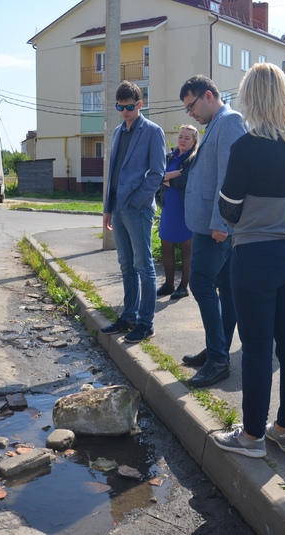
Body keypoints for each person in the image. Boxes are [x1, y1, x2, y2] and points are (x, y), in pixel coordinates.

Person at [211, 63, 285, 458]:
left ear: (249, 97)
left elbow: (229, 209)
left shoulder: (247, 145)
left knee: (256, 349)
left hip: (257, 256)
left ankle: (252, 436)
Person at [178, 75, 246, 388]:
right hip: (210, 224)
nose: (190, 113)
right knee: (228, 288)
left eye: (191, 106)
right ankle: (217, 348)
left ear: (208, 96)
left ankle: (219, 358)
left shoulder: (229, 122)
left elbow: (230, 178)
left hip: (215, 226)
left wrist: (222, 223)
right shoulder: (217, 123)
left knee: (201, 282)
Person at [101, 81, 166, 343]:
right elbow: (113, 171)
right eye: (120, 106)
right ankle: (128, 317)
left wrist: (138, 200)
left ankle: (145, 322)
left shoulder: (152, 131)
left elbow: (157, 173)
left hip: (138, 210)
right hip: (117, 206)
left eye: (129, 106)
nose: (125, 111)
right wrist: (108, 207)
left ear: (139, 104)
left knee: (143, 265)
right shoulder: (118, 131)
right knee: (126, 265)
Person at [157, 125, 199, 300]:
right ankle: (168, 284)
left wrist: (168, 179)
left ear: (194, 141)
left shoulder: (194, 159)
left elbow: (187, 180)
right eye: (181, 136)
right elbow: (155, 176)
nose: (182, 140)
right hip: (168, 208)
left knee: (186, 249)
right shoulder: (168, 157)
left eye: (187, 138)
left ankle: (183, 287)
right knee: (167, 247)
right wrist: (170, 175)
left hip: (184, 209)